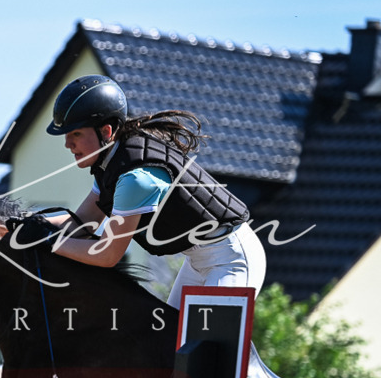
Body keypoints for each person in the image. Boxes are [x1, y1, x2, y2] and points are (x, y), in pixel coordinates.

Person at [15, 74, 265, 309]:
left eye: (76, 134)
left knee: (205, 351)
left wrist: (48, 241)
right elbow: (86, 222)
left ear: (106, 131)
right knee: (170, 347)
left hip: (231, 260)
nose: (68, 144)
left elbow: (107, 254)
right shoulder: (109, 164)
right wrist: (34, 223)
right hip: (197, 260)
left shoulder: (135, 179)